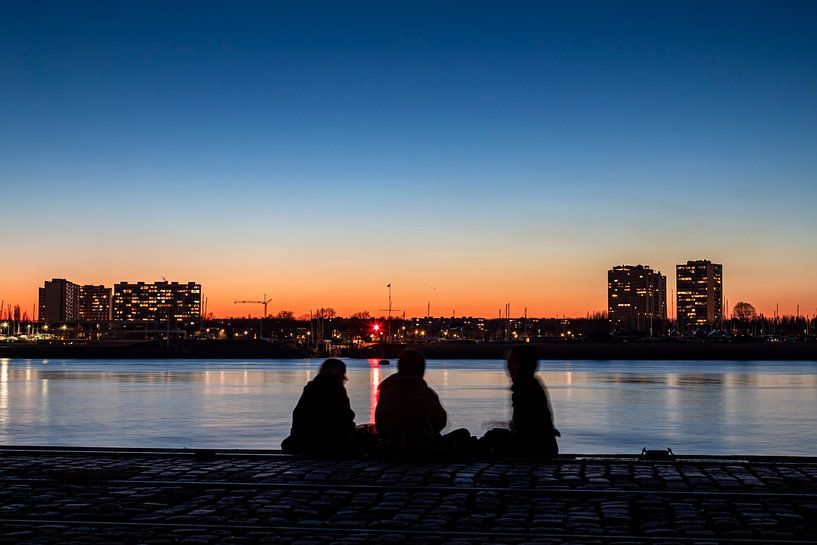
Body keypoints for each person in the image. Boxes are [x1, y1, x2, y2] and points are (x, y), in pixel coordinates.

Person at [375, 349, 471, 458]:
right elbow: (440, 422)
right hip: (425, 448)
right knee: (463, 434)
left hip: (392, 449)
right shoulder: (427, 394)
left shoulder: (385, 392)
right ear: (420, 369)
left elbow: (380, 426)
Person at [481, 345, 559, 457]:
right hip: (545, 445)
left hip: (534, 447)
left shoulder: (524, 388)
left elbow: (526, 430)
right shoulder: (533, 385)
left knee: (491, 436)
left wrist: (513, 427)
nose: (507, 368)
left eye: (512, 363)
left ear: (524, 365)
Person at [281, 358, 356, 455]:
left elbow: (298, 413)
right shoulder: (336, 388)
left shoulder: (311, 387)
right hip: (325, 438)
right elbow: (345, 415)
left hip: (302, 436)